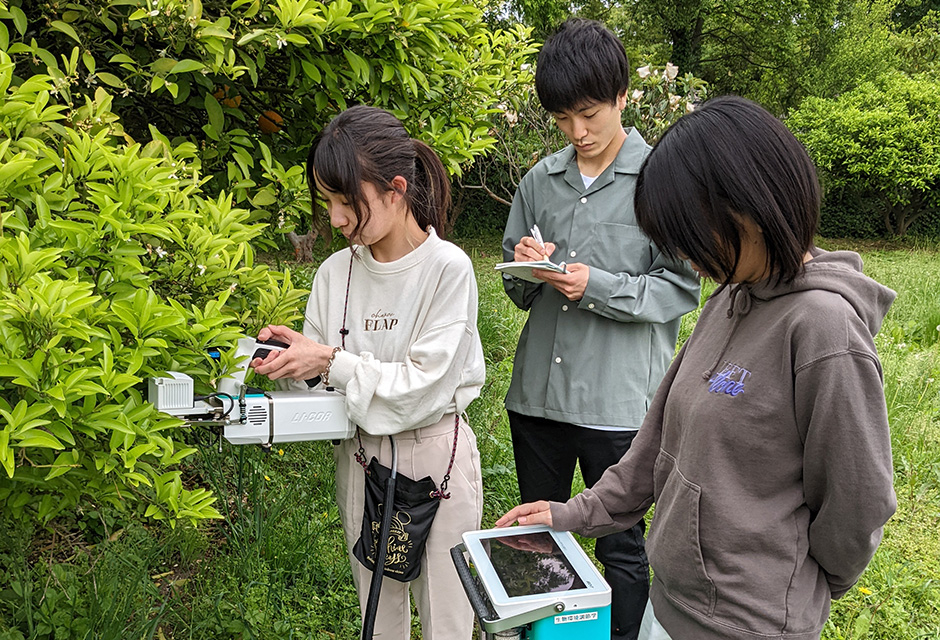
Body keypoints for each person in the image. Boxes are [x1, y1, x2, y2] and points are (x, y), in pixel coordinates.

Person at [497, 96, 897, 640]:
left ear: (747, 206)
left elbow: (857, 504)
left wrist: (787, 582)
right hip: (670, 607)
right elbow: (654, 450)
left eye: (686, 232)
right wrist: (570, 514)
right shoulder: (728, 299)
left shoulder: (823, 329)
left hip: (750, 625)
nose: (682, 254)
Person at [250, 105, 486, 640]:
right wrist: (290, 362)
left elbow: (423, 389)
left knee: (448, 620)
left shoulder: (448, 269)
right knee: (377, 620)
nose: (335, 219)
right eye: (328, 200)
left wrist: (330, 361)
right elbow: (318, 383)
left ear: (395, 189)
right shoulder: (335, 272)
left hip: (436, 457)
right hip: (360, 455)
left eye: (345, 201)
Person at [500, 18, 700, 640]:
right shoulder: (541, 181)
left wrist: (598, 286)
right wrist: (530, 268)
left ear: (620, 97)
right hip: (538, 399)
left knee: (620, 547)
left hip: (617, 405)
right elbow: (512, 286)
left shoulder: (663, 181)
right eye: (563, 119)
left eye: (588, 114)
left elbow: (680, 287)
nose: (577, 132)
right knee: (539, 537)